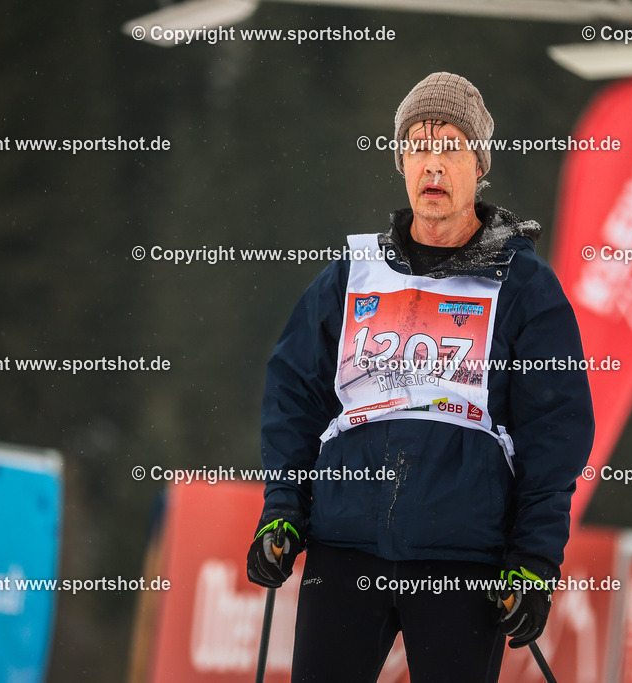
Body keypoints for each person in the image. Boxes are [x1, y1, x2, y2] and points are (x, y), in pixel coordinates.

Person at [246, 71, 594, 682]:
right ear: (401, 163)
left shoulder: (524, 287)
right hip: (344, 548)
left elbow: (554, 433)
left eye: (450, 147)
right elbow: (293, 398)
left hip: (464, 561)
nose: (433, 164)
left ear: (480, 164)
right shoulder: (350, 276)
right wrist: (282, 511)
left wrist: (534, 561)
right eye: (417, 147)